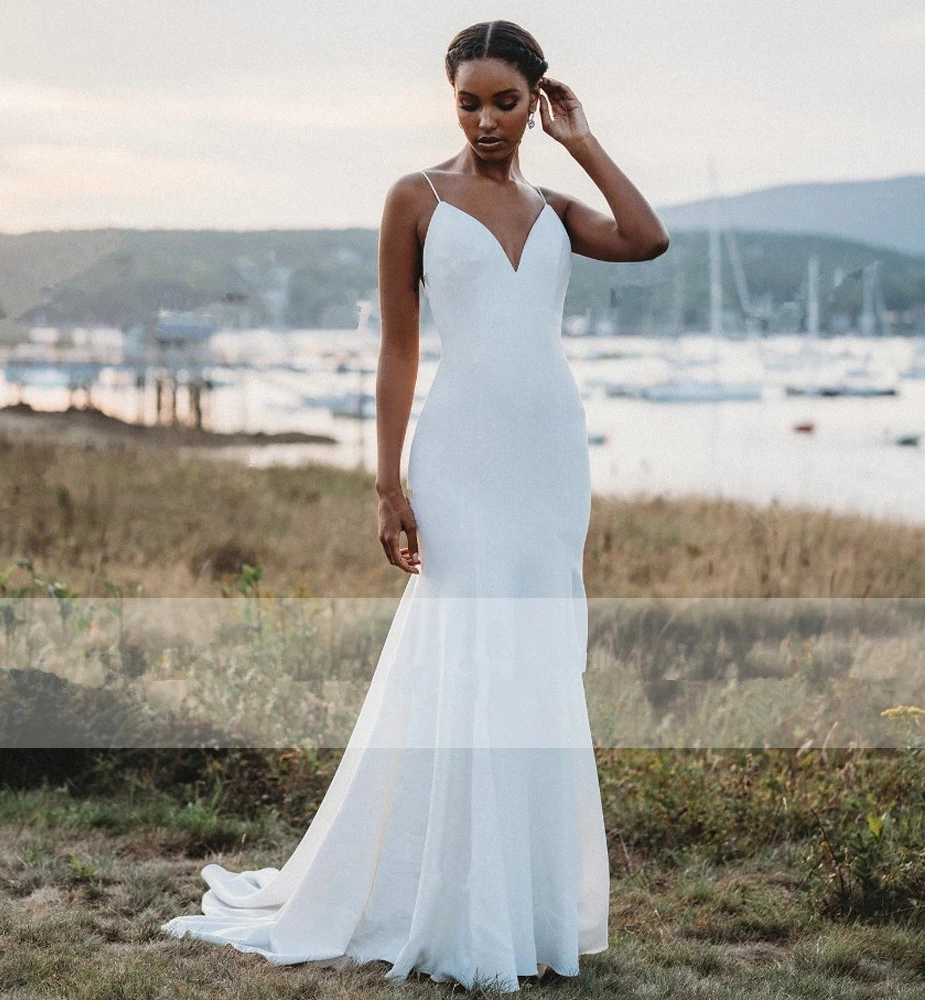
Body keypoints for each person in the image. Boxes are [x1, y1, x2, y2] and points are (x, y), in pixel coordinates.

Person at [161, 20, 668, 993]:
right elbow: (398, 350)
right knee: (467, 652)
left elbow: (645, 239)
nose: (485, 119)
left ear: (537, 100)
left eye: (504, 100)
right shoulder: (416, 198)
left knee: (533, 659)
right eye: (468, 101)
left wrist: (585, 141)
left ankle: (521, 911)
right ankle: (452, 903)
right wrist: (387, 483)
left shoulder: (558, 203)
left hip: (548, 460)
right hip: (462, 458)